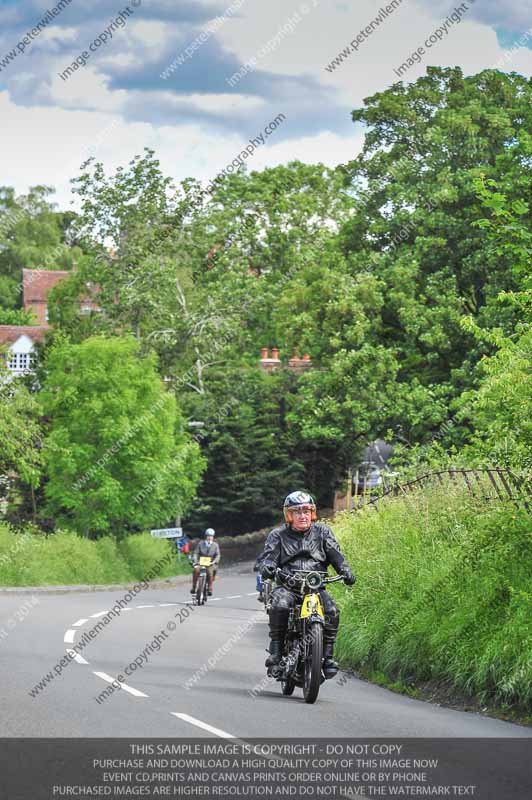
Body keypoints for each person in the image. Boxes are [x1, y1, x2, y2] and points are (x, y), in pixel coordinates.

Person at [256, 491, 355, 679]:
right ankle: (276, 651)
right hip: (288, 586)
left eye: (306, 511)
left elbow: (336, 556)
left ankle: (327, 657)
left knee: (332, 611)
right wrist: (268, 567)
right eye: (297, 512)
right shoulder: (277, 535)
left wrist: (345, 570)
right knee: (280, 605)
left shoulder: (323, 532)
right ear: (289, 515)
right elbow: (268, 559)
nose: (303, 516)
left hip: (316, 588)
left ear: (312, 513)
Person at [191, 528, 220, 596]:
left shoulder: (215, 545)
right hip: (201, 562)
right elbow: (195, 553)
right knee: (195, 570)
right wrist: (195, 561)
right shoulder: (200, 544)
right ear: (206, 536)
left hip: (210, 563)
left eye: (211, 536)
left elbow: (218, 554)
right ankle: (194, 587)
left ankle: (210, 588)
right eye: (208, 536)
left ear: (213, 537)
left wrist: (214, 561)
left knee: (210, 573)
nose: (209, 538)